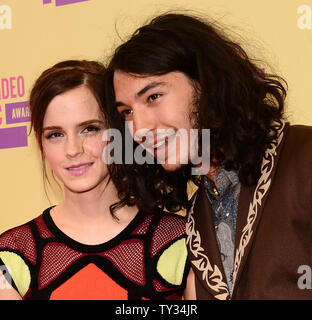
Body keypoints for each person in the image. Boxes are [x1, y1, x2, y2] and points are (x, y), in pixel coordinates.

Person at [104, 13, 312, 299]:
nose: (139, 130)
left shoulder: (304, 156)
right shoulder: (197, 213)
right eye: (127, 112)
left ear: (207, 83)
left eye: (153, 97)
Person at [0, 60, 191, 300]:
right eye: (55, 134)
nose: (72, 149)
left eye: (89, 129)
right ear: (41, 143)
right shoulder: (11, 254)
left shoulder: (181, 240)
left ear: (118, 132)